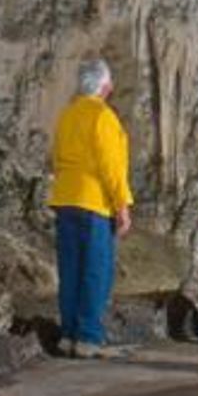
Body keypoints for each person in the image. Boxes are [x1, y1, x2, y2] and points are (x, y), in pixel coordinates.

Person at [46, 58, 135, 359]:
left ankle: (67, 334)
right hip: (94, 202)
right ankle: (87, 337)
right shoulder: (103, 117)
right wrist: (121, 205)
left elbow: (57, 159)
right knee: (96, 271)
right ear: (105, 87)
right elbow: (111, 167)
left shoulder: (67, 115)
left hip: (65, 198)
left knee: (70, 269)